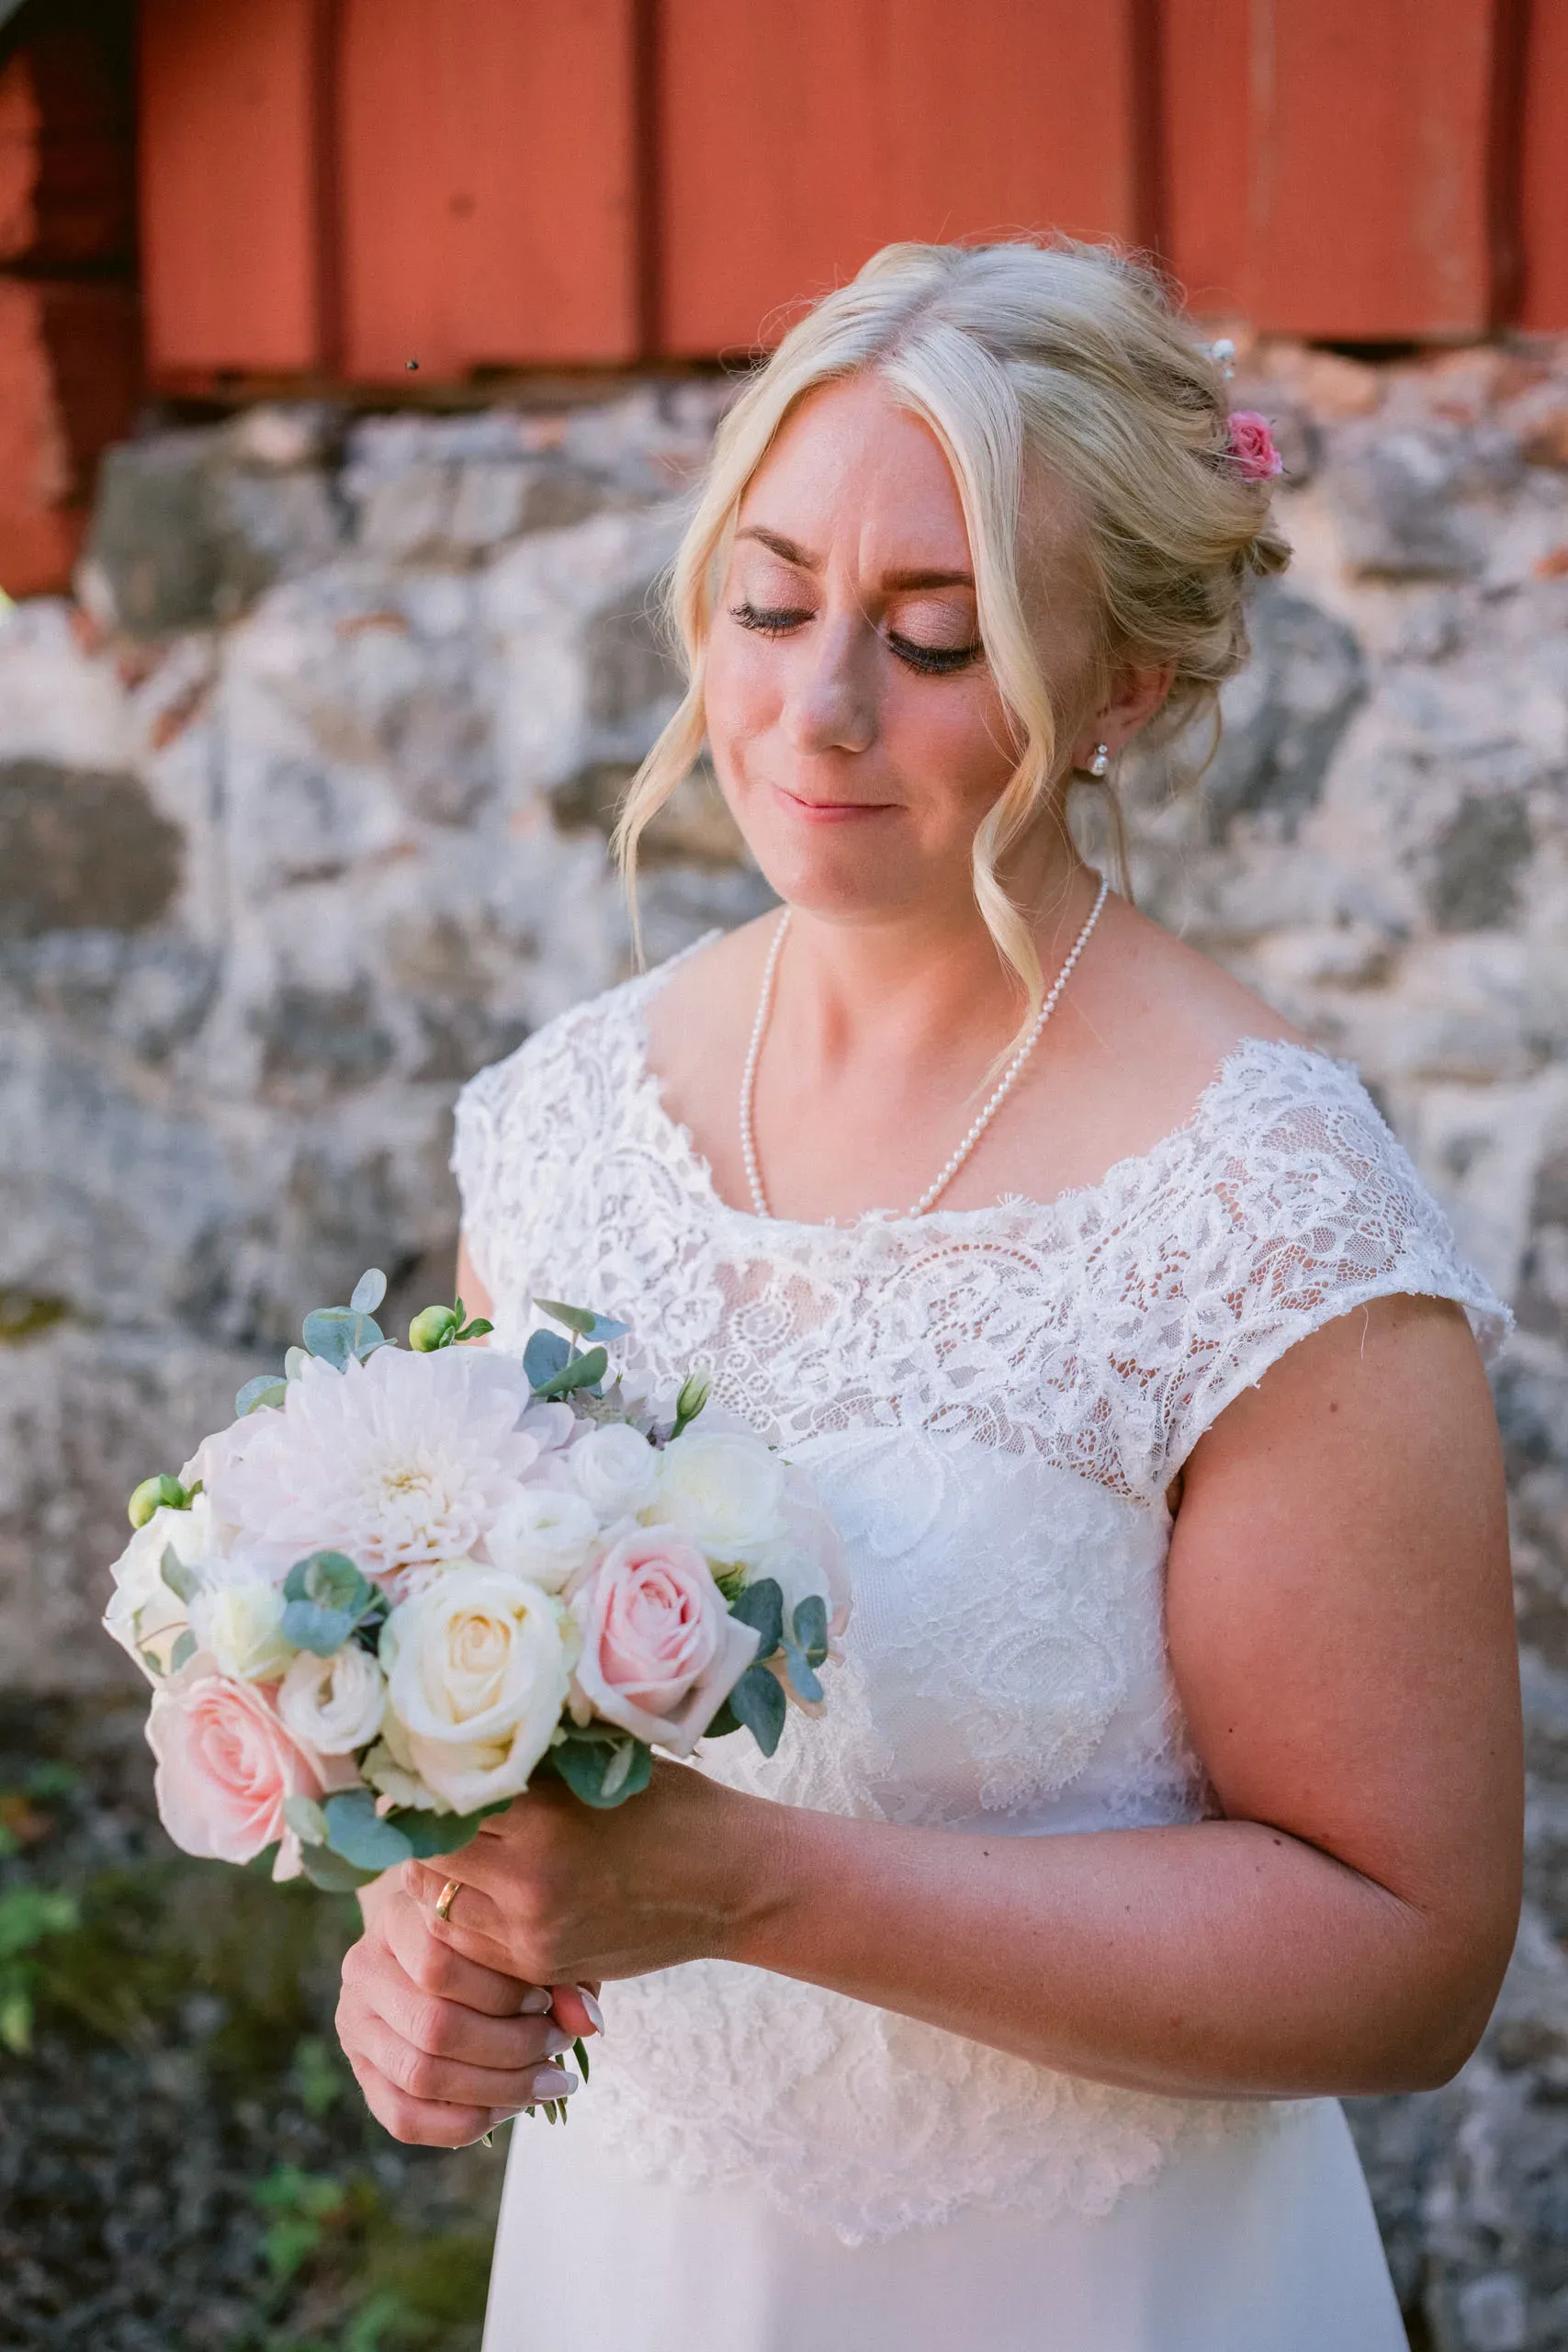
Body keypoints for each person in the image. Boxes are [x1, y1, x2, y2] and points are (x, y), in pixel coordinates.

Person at [333, 240, 1522, 2351]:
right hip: (644, 2263)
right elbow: (488, 1726)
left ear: (1120, 687)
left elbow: (1406, 1954)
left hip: (1108, 2287)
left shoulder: (1262, 1212)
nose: (817, 708)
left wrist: (753, 1886)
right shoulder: (559, 1132)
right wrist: (419, 1939)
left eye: (936, 636)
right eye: (770, 601)